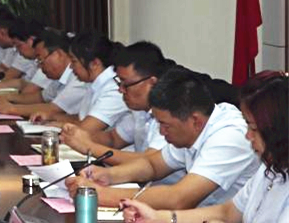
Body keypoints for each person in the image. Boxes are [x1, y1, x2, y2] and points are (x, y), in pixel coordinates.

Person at [66, 67, 260, 209]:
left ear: (195, 121)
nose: (161, 132)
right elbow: (153, 165)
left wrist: (101, 194)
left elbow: (179, 198)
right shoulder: (195, 125)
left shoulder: (231, 135)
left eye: (165, 125)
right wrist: (108, 176)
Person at [121, 71, 289, 223]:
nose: (248, 136)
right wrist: (160, 218)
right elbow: (228, 212)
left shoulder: (231, 135)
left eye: (253, 128)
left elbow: (180, 198)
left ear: (276, 130)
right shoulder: (269, 167)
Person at [60, 42, 182, 176]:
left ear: (151, 83)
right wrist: (80, 136)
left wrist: (89, 147)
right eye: (119, 82)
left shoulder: (170, 115)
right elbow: (113, 138)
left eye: (126, 84)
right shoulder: (140, 109)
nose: (120, 90)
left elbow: (149, 161)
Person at [30, 32, 128, 133]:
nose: (71, 67)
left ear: (94, 64)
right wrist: (52, 117)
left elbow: (86, 128)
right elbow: (82, 118)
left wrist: (59, 124)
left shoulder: (114, 89)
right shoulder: (93, 83)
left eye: (74, 61)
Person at [0, 29, 88, 118]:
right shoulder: (60, 76)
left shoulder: (78, 77)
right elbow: (40, 97)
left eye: (40, 60)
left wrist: (12, 109)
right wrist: (7, 97)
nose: (39, 66)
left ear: (58, 54)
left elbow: (54, 109)